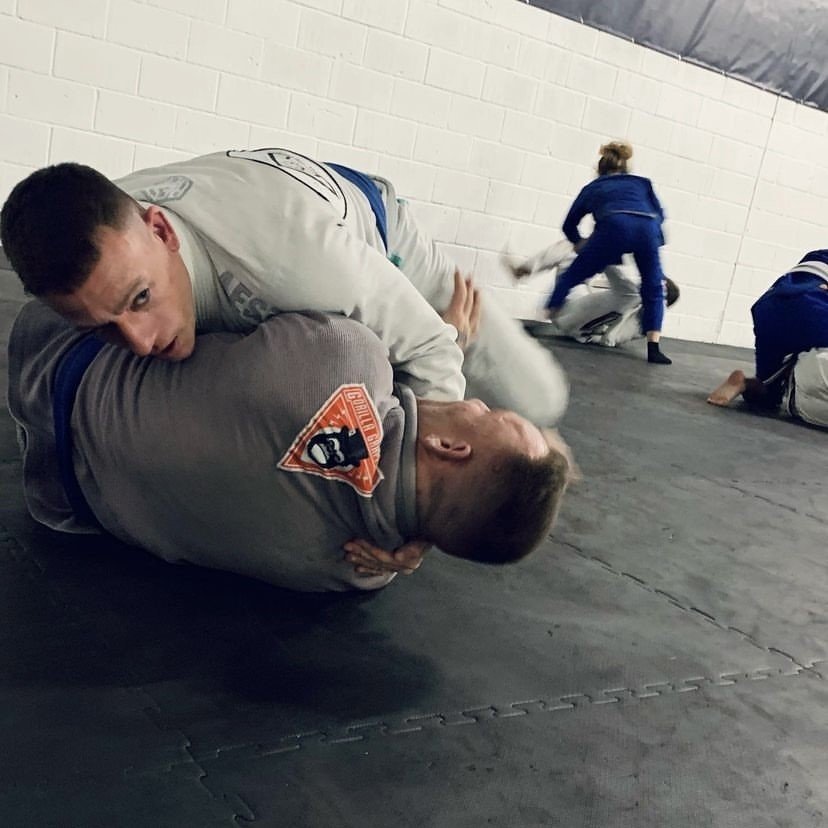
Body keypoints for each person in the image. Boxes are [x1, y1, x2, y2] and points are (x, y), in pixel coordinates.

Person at [6, 301, 571, 593]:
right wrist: (419, 534)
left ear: (449, 447)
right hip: (60, 500)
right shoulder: (361, 572)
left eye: (489, 415)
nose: (478, 403)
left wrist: (431, 338)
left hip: (59, 341)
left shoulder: (347, 356)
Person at [0, 148, 568, 427]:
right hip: (270, 189)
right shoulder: (104, 240)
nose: (140, 342)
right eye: (102, 329)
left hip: (376, 228)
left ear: (161, 230)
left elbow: (432, 349)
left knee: (539, 397)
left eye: (141, 299)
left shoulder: (291, 260)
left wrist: (411, 507)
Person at [542, 141, 672, 365]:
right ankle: (654, 348)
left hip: (615, 226)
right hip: (647, 229)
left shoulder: (594, 187)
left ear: (600, 169)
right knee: (653, 287)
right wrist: (651, 242)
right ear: (625, 168)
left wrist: (579, 243)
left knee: (573, 275)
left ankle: (548, 311)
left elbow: (569, 224)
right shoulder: (643, 183)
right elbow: (659, 214)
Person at [707, 250, 828, 414]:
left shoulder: (817, 255)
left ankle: (744, 383)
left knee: (768, 396)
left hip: (768, 309)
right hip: (812, 309)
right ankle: (792, 371)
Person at [505, 240, 680, 348]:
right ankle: (523, 272)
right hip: (578, 312)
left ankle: (531, 285)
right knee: (572, 249)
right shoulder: (635, 310)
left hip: (573, 316)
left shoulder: (633, 302)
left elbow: (610, 339)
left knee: (577, 249)